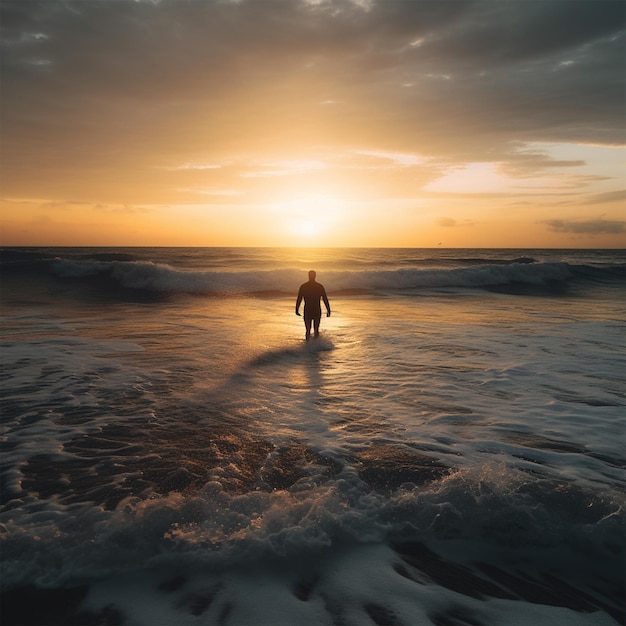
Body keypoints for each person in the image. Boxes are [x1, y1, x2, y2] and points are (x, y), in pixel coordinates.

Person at [295, 270, 331, 341]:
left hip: (308, 310)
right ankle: (315, 347)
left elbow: (299, 299)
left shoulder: (304, 286)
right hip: (316, 310)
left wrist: (296, 309)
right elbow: (325, 299)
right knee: (315, 330)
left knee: (308, 330)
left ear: (308, 276)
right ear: (315, 276)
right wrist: (328, 310)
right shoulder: (319, 286)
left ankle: (308, 346)